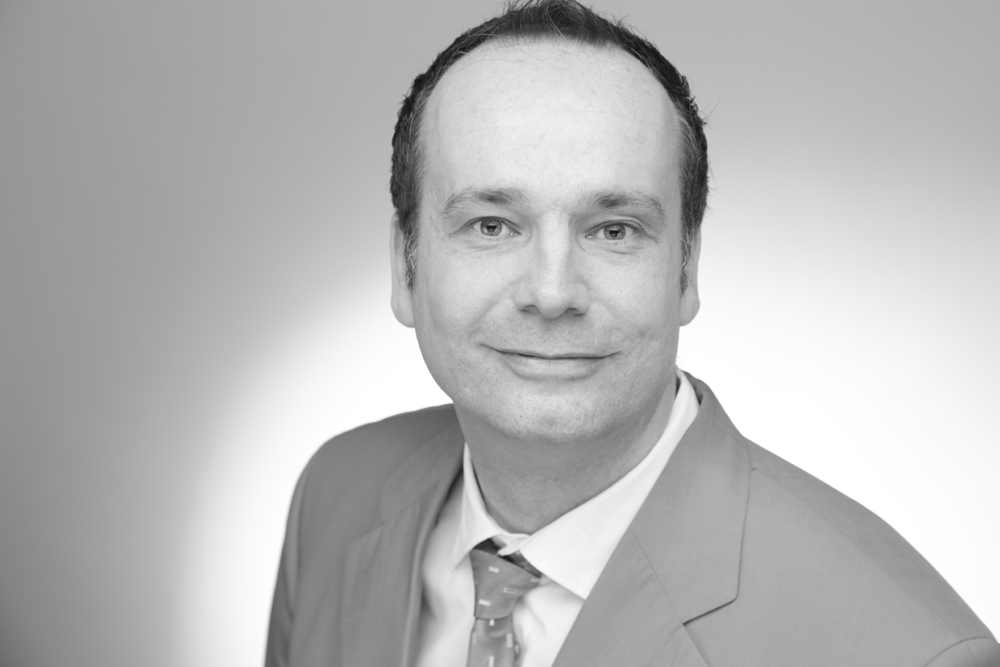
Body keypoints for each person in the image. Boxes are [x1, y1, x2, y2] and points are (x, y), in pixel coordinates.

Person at [264, 1, 999, 665]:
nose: (552, 293)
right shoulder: (336, 496)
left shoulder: (911, 652)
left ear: (686, 270)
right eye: (491, 225)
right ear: (405, 266)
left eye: (614, 229)